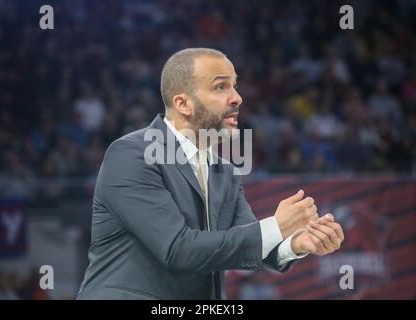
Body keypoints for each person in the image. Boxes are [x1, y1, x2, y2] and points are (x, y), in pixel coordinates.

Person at [77, 48, 344, 300]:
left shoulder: (224, 170)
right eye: (220, 86)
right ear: (183, 103)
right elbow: (177, 249)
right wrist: (276, 225)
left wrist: (297, 243)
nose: (237, 97)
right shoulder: (132, 154)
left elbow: (244, 243)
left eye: (235, 85)